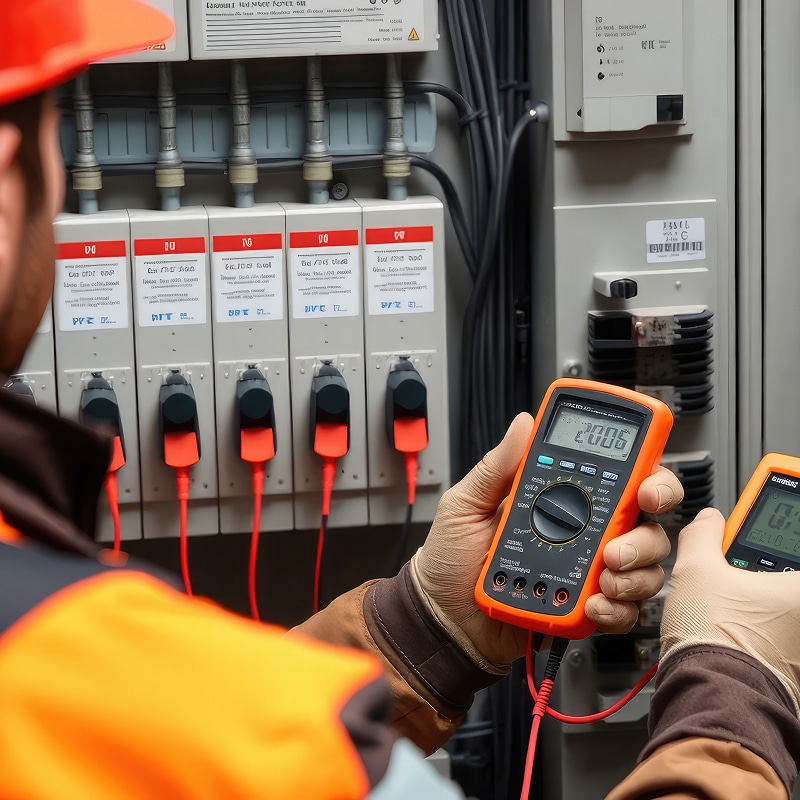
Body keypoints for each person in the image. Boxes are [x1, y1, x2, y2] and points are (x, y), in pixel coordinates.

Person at [0, 2, 797, 799]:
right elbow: (231, 737)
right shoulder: (132, 686)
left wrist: (429, 626)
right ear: (9, 180)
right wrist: (736, 690)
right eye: (60, 132)